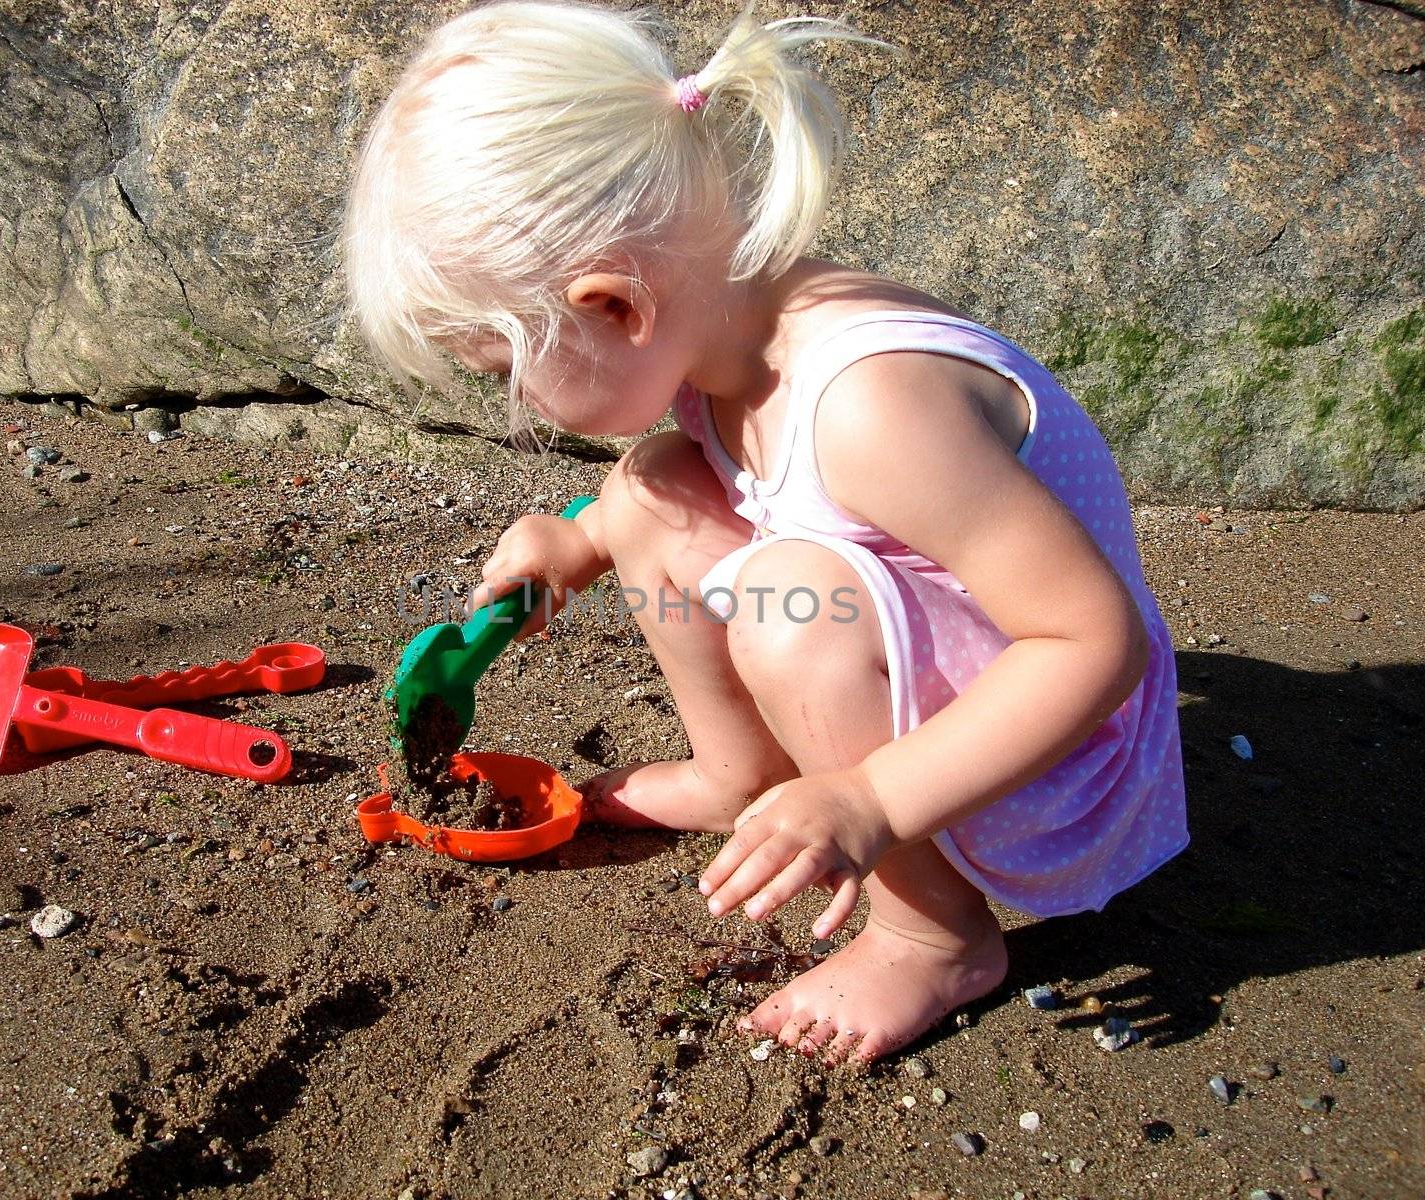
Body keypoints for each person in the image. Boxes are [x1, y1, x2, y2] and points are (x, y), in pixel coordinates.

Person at [343, 0, 1188, 1064]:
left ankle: (933, 933)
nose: (510, 407)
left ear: (613, 309)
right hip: (947, 664)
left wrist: (868, 796)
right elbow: (689, 495)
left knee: (793, 611)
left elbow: (1091, 646)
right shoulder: (729, 330)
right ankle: (740, 774)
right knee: (645, 485)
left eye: (502, 372)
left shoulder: (867, 404)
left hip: (1051, 747)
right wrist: (584, 542)